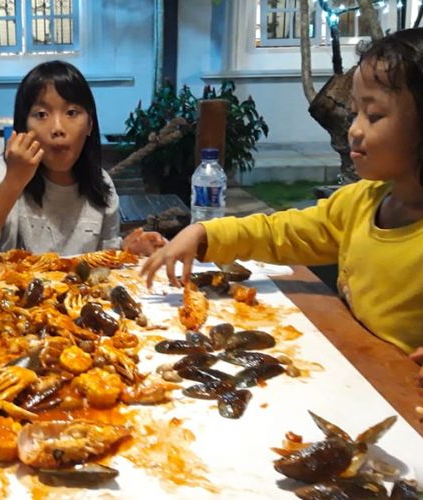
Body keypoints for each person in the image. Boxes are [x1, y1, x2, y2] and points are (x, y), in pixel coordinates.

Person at [140, 28, 423, 383]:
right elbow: (281, 232)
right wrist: (203, 231)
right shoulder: (360, 201)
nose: (355, 130)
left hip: (403, 403)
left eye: (375, 116)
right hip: (354, 374)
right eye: (355, 113)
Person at [0, 60, 165, 259]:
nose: (57, 128)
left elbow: (105, 259)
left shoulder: (100, 184)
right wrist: (14, 180)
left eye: (72, 112)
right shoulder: (5, 171)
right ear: (23, 127)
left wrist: (128, 250)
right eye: (41, 114)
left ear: (90, 124)